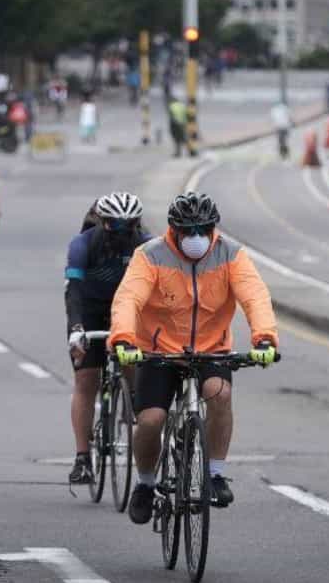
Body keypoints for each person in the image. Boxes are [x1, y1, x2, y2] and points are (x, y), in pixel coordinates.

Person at [109, 192, 280, 524]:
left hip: (211, 348)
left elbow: (254, 295)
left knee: (220, 394)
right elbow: (128, 298)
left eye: (203, 229)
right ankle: (145, 484)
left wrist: (264, 337)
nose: (196, 237)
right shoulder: (150, 255)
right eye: (188, 230)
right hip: (159, 352)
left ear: (213, 227)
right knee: (151, 421)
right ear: (173, 229)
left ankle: (215, 474)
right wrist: (125, 339)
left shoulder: (231, 254)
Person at [65, 192, 150, 484]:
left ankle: (131, 403)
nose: (124, 232)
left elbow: (157, 291)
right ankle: (82, 459)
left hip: (127, 309)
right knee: (86, 379)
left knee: (132, 361)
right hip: (89, 309)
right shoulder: (83, 244)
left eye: (130, 225)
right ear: (102, 222)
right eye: (116, 225)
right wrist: (77, 328)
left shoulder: (146, 244)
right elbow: (73, 290)